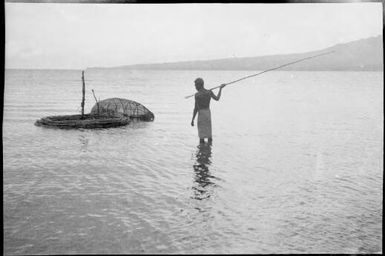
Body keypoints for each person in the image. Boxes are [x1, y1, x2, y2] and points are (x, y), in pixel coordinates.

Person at [191, 78, 226, 143]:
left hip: (201, 115)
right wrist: (220, 89)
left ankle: (202, 150)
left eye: (196, 85)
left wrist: (193, 119)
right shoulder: (209, 92)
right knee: (209, 134)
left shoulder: (197, 95)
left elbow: (196, 108)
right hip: (207, 114)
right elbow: (217, 98)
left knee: (201, 136)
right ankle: (209, 148)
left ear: (199, 85)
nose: (195, 87)